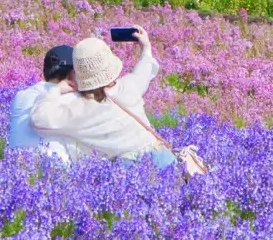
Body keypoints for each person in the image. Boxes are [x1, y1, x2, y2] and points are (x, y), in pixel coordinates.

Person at [30, 28, 207, 173]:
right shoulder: (128, 86)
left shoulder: (79, 108)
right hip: (162, 157)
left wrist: (56, 90)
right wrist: (146, 48)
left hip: (129, 171)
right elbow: (144, 71)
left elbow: (39, 119)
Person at [8, 44, 75, 164]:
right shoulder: (71, 99)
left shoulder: (20, 96)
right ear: (72, 73)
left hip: (14, 168)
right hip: (56, 173)